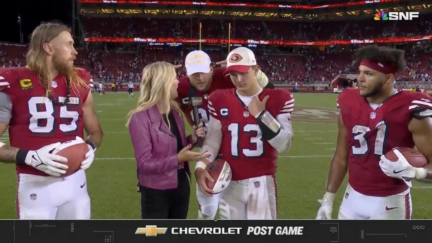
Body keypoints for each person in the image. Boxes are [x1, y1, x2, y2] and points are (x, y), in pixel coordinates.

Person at [0, 21, 103, 219]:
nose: (75, 52)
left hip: (77, 184)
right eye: (68, 44)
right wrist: (28, 157)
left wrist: (90, 147)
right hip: (35, 186)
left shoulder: (80, 80)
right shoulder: (13, 81)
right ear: (48, 48)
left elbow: (96, 131)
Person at [316, 45, 432, 220]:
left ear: (388, 78)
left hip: (391, 202)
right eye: (360, 72)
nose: (360, 79)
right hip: (352, 198)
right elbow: (341, 156)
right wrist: (328, 198)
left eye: (369, 74)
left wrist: (416, 172)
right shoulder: (348, 102)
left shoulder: (412, 110)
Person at [194, 47, 294, 219]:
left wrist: (263, 116)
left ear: (255, 70)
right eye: (233, 74)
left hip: (261, 182)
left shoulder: (279, 98)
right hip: (229, 182)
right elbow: (213, 141)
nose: (238, 79)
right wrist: (200, 167)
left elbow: (284, 144)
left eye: (243, 73)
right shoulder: (219, 99)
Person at [176, 50, 274, 220]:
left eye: (203, 71)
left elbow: (267, 86)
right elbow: (155, 92)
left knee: (237, 211)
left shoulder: (227, 76)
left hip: (235, 152)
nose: (199, 77)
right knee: (208, 210)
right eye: (194, 73)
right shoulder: (181, 86)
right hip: (207, 152)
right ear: (186, 73)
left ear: (212, 68)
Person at [126, 61, 207, 219]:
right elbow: (144, 164)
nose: (178, 82)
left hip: (181, 185)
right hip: (156, 192)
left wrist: (194, 139)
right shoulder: (140, 118)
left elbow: (179, 146)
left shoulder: (175, 113)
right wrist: (178, 159)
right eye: (174, 78)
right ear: (162, 83)